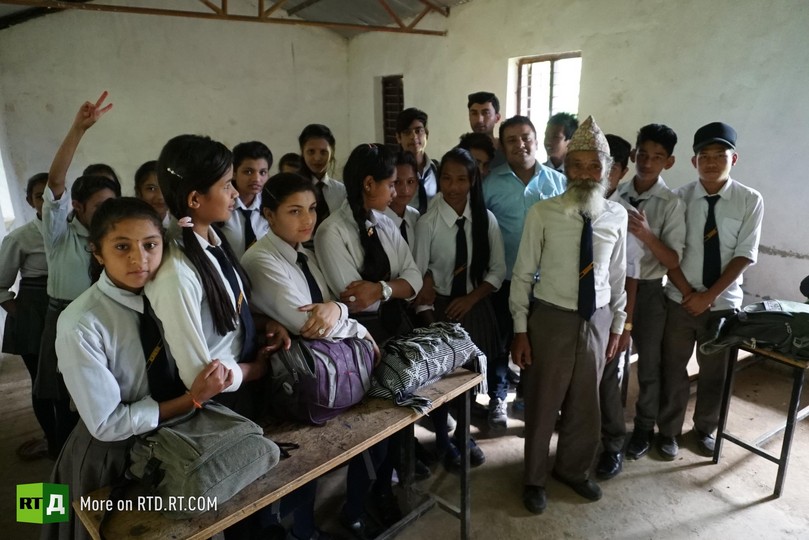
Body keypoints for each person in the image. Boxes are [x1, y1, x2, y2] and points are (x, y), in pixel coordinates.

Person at [42, 197, 232, 540]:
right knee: (76, 525)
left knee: (191, 528)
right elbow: (106, 423)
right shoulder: (80, 323)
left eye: (150, 245)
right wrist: (193, 400)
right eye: (121, 246)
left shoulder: (168, 293)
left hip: (175, 440)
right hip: (108, 453)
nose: (139, 259)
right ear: (97, 253)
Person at [511, 116, 627, 514]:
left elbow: (617, 277)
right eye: (576, 164)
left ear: (607, 170)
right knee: (543, 403)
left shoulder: (616, 216)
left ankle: (573, 470)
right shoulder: (543, 213)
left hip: (596, 321)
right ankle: (534, 478)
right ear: (565, 167)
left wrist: (617, 325)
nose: (584, 173)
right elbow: (523, 274)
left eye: (594, 165)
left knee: (585, 404)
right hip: (551, 318)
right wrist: (521, 330)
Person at [315, 143, 422, 538]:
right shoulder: (333, 232)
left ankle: (384, 491)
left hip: (395, 331)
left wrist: (382, 289)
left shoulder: (386, 222)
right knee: (368, 430)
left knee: (397, 423)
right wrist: (387, 290)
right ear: (367, 183)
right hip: (361, 341)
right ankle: (355, 503)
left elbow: (413, 280)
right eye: (390, 184)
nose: (396, 192)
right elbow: (352, 299)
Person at [145, 134, 286, 423]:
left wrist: (267, 325)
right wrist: (255, 369)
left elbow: (224, 317)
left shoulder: (212, 242)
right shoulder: (176, 273)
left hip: (244, 388)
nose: (235, 193)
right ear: (195, 199)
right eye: (226, 185)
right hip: (219, 407)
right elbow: (200, 377)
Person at [658, 122, 763, 459]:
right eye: (705, 155)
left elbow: (744, 254)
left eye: (721, 155)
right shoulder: (678, 199)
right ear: (694, 162)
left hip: (723, 304)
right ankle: (669, 431)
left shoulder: (749, 200)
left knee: (715, 373)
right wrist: (690, 293)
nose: (713, 162)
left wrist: (708, 296)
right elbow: (668, 252)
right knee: (673, 369)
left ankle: (705, 429)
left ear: (735, 159)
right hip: (679, 300)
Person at [413, 147, 506, 469]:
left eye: (461, 179)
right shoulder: (428, 223)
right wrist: (428, 319)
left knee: (469, 380)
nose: (453, 187)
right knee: (441, 381)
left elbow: (497, 271)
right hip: (438, 309)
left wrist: (472, 298)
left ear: (473, 180)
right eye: (447, 179)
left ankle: (462, 435)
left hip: (473, 305)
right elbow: (418, 274)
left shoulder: (485, 220)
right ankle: (442, 437)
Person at [39, 92, 120, 458]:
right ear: (77, 207)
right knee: (59, 409)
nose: (108, 213)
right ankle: (53, 499)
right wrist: (78, 129)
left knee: (97, 405)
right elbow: (55, 181)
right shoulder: (59, 234)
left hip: (104, 324)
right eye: (100, 207)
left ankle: (95, 473)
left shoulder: (114, 241)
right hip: (63, 320)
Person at [605, 125, 687, 466]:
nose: (647, 163)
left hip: (652, 292)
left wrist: (648, 235)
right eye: (643, 155)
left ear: (669, 162)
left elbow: (673, 260)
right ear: (633, 155)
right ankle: (610, 428)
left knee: (649, 365)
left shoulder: (671, 203)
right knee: (612, 361)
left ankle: (644, 428)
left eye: (657, 157)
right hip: (614, 288)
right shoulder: (615, 195)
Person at [482, 115, 566, 429]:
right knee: (502, 344)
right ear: (503, 147)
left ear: (535, 139)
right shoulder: (491, 184)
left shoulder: (558, 183)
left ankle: (529, 398)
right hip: (504, 280)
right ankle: (497, 400)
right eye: (512, 140)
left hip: (546, 283)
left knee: (540, 344)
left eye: (526, 137)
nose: (521, 144)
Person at [595, 132, 643, 480]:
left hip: (611, 312)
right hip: (579, 310)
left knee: (608, 382)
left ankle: (613, 444)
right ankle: (582, 438)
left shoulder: (624, 215)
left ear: (622, 172)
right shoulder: (572, 205)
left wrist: (624, 326)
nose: (602, 172)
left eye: (611, 168)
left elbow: (631, 277)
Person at [1, 173, 51, 460]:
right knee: (42, 382)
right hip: (34, 311)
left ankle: (72, 438)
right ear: (29, 201)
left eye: (55, 194)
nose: (48, 202)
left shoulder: (79, 232)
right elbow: (0, 285)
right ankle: (51, 439)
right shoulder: (20, 238)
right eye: (39, 196)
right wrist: (21, 314)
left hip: (69, 307)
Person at [220, 141, 273, 259]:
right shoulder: (221, 206)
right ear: (234, 173)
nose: (257, 179)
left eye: (262, 172)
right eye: (248, 172)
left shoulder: (272, 206)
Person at [298, 124, 347, 234]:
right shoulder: (293, 189)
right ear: (302, 152)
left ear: (332, 152)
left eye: (323, 152)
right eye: (311, 152)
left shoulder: (341, 191)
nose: (317, 158)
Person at [396, 108, 437, 214]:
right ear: (398, 137)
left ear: (426, 134)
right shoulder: (393, 172)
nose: (413, 137)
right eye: (407, 132)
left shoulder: (438, 170)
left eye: (418, 131)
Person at [383, 150, 421, 250]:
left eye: (410, 181)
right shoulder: (378, 221)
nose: (405, 189)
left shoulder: (415, 217)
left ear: (417, 183)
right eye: (397, 182)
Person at [466, 91, 505, 169]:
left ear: (497, 118)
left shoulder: (507, 150)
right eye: (474, 113)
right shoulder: (462, 151)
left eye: (486, 113)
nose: (479, 120)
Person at [134, 160, 169, 225]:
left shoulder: (181, 226)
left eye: (165, 188)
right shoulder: (130, 224)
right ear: (138, 192)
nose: (160, 196)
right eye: (151, 189)